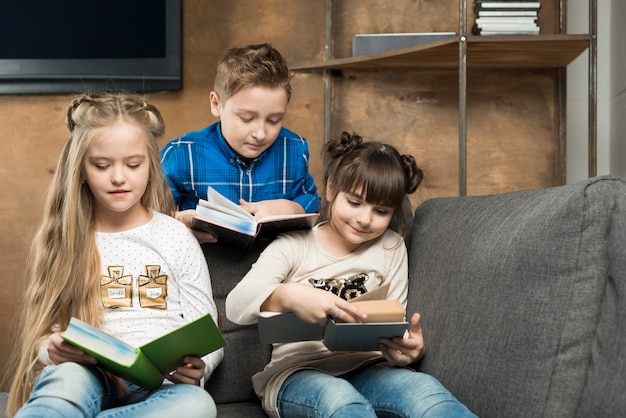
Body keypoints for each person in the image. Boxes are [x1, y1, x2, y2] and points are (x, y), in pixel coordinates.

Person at [225, 132, 476, 418]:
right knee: (341, 401)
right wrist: (287, 295)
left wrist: (406, 350)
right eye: (354, 203)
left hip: (369, 368)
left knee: (426, 393)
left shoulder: (390, 246)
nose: (364, 219)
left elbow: (393, 320)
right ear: (331, 190)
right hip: (297, 374)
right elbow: (235, 305)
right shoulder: (294, 245)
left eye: (380, 211)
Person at [5, 92, 223, 418]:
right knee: (64, 384)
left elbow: (207, 326)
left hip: (162, 384)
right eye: (102, 165)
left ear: (150, 164)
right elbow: (46, 330)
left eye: (133, 165)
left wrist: (201, 364)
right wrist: (52, 348)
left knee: (198, 405)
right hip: (87, 373)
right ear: (80, 168)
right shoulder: (64, 236)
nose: (119, 177)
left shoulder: (174, 235)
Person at [160, 43, 320, 244]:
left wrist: (292, 208)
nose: (260, 134)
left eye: (274, 120)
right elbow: (145, 210)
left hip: (274, 259)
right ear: (216, 104)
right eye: (246, 118)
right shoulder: (182, 154)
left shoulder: (294, 149)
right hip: (204, 258)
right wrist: (176, 222)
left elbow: (312, 200)